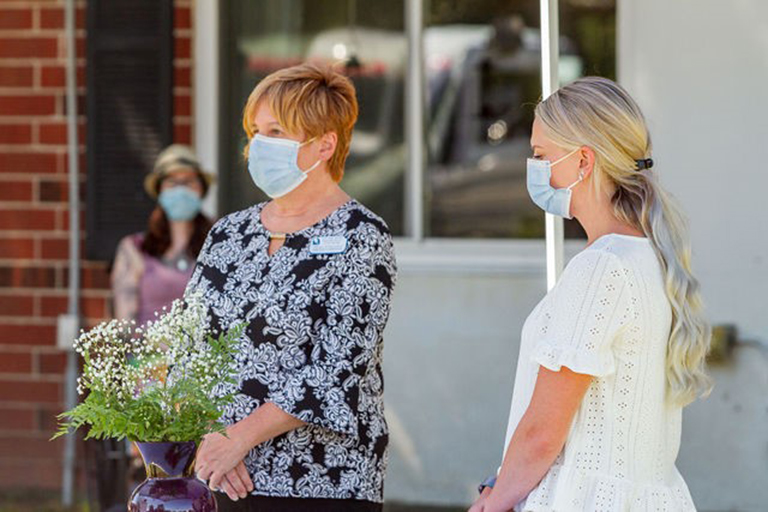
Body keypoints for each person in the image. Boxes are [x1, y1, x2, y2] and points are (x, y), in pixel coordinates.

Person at [470, 77, 712, 512]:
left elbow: (544, 431)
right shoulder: (651, 255)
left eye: (541, 156)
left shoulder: (602, 267)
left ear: (583, 161)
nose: (534, 168)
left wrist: (493, 502)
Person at [187, 63, 397, 512]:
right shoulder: (227, 233)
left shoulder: (363, 236)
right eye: (256, 131)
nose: (260, 144)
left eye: (277, 131)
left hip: (322, 483)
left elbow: (337, 369)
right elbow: (189, 346)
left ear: (324, 144)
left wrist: (238, 437)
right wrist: (216, 442)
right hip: (223, 477)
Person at [111, 144, 215, 326]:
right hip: (148, 353)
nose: (181, 189)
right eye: (172, 182)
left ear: (202, 190)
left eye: (189, 181)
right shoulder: (134, 248)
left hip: (207, 353)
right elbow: (124, 323)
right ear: (160, 191)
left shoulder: (219, 244)